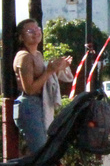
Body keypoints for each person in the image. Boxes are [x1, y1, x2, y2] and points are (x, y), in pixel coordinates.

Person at [12, 19, 72, 155]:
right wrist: (50, 70)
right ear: (21, 37)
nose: (36, 32)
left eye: (37, 28)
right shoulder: (24, 57)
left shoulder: (37, 54)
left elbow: (44, 78)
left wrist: (59, 67)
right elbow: (30, 89)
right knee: (41, 151)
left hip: (41, 104)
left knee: (44, 148)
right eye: (30, 31)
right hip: (29, 105)